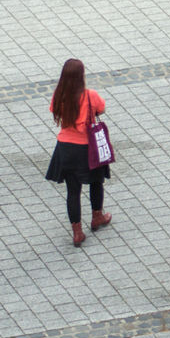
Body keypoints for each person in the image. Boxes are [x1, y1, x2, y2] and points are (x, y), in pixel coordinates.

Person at [44, 58, 111, 248]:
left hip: (65, 148)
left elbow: (53, 110)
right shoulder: (90, 95)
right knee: (96, 181)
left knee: (73, 191)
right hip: (88, 147)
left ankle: (77, 232)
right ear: (81, 76)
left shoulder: (59, 95)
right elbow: (102, 109)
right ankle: (97, 216)